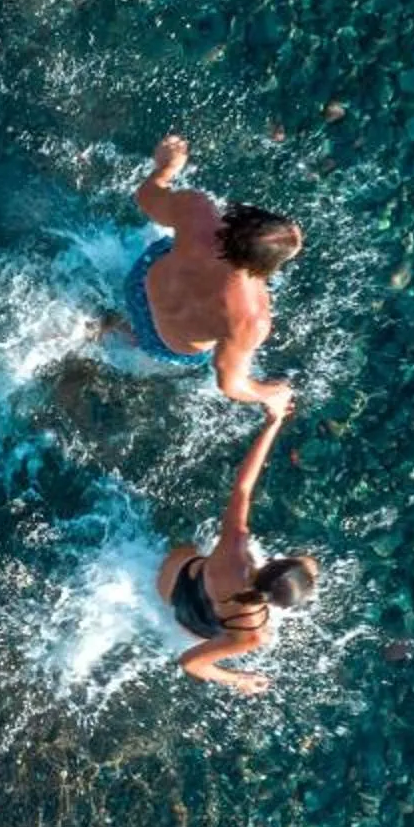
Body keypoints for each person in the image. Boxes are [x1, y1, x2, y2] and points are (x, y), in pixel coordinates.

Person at [106, 135, 301, 417]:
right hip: (164, 342)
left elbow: (146, 196)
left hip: (140, 285)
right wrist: (273, 393)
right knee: (146, 342)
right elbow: (230, 384)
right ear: (264, 267)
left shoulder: (196, 212)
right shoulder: (250, 318)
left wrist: (166, 168)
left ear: (236, 219)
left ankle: (110, 323)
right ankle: (114, 330)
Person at [157, 406, 321, 696]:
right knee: (264, 629)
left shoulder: (234, 547)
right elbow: (190, 663)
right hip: (190, 624)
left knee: (188, 549)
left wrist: (272, 423)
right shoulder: (254, 632)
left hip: (169, 585)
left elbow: (243, 486)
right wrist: (239, 679)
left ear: (272, 564)